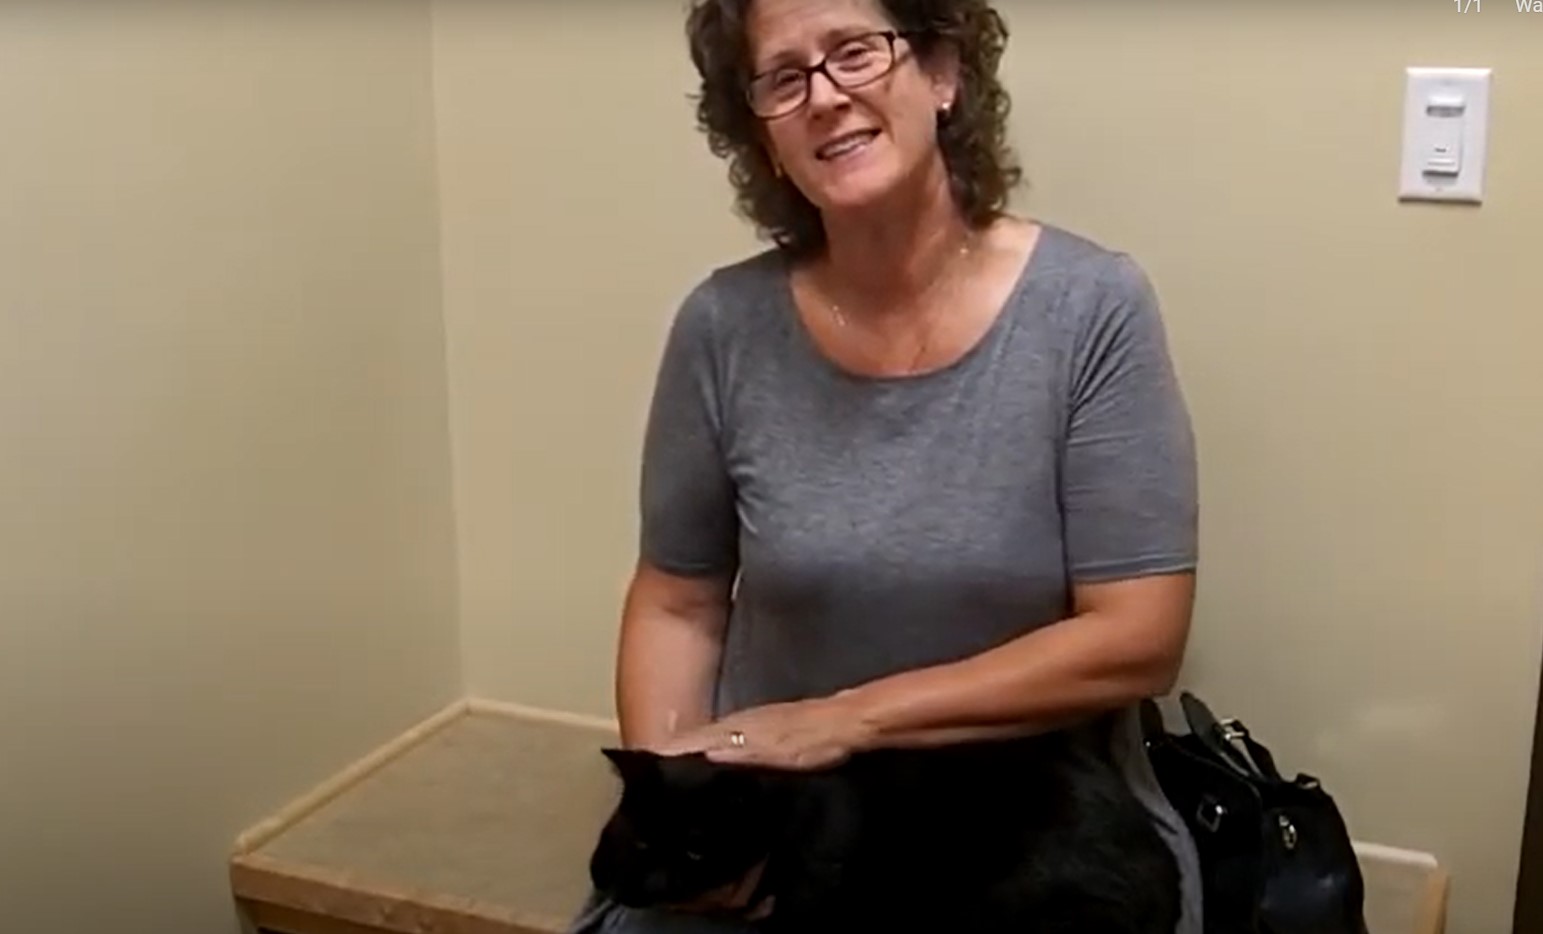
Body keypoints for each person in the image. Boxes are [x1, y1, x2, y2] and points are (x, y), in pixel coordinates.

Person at [570, 0, 1202, 931]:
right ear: (763, 135)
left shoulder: (1091, 310)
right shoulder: (721, 327)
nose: (824, 96)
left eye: (855, 53)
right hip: (773, 826)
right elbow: (678, 601)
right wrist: (690, 819)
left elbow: (1137, 638)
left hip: (1025, 842)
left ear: (942, 73)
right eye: (783, 78)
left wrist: (844, 720)